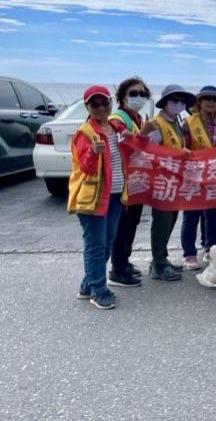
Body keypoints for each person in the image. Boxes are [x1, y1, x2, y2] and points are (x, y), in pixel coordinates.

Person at [68, 85, 128, 310]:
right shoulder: (85, 134)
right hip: (92, 198)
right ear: (88, 107)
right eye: (95, 104)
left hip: (114, 197)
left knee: (105, 245)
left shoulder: (115, 128)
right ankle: (98, 291)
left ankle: (87, 285)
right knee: (95, 246)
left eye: (104, 103)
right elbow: (86, 168)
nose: (101, 107)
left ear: (111, 104)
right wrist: (94, 153)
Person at [140, 84, 195, 281]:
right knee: (162, 222)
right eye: (174, 100)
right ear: (164, 102)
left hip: (173, 181)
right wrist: (177, 155)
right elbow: (152, 154)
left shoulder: (175, 122)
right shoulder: (157, 123)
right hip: (161, 181)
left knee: (170, 220)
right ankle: (159, 264)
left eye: (181, 101)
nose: (178, 104)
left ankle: (161, 258)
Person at [107, 77, 151, 288]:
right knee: (122, 226)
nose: (138, 97)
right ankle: (117, 269)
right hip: (123, 181)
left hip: (135, 180)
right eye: (133, 93)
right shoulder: (118, 118)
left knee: (132, 223)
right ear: (122, 96)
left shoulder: (138, 117)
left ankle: (124, 260)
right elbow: (125, 142)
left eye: (143, 94)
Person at [181, 86, 216, 268]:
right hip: (194, 175)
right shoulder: (188, 122)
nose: (211, 102)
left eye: (215, 99)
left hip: (215, 174)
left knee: (214, 214)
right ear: (199, 102)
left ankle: (210, 248)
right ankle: (189, 253)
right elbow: (182, 146)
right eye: (207, 98)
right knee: (191, 214)